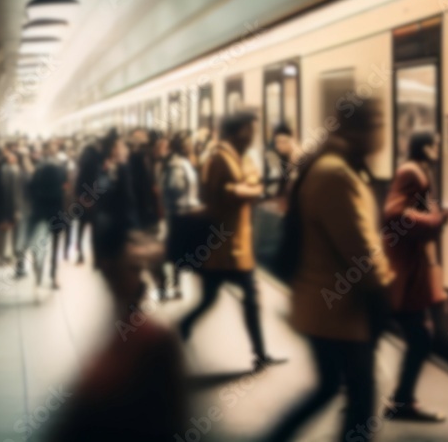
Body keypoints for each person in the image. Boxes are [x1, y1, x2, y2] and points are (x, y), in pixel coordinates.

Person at [264, 98, 394, 442]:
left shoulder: (330, 164)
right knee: (359, 397)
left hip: (323, 305)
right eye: (377, 124)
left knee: (329, 389)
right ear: (357, 129)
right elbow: (360, 250)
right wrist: (384, 287)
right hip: (336, 309)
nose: (381, 133)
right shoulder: (336, 173)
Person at [46, 220, 188, 441]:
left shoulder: (148, 340)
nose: (142, 281)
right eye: (134, 269)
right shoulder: (147, 339)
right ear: (108, 269)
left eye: (141, 269)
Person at [178, 112, 285, 372]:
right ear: (238, 131)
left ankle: (185, 327)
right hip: (222, 247)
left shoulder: (239, 156)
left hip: (235, 245)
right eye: (250, 130)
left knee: (215, 297)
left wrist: (245, 187)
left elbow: (253, 181)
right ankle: (259, 354)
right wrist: (244, 189)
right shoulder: (219, 157)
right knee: (247, 297)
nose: (254, 135)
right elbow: (219, 193)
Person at [381, 131, 448, 422]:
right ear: (426, 147)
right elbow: (394, 215)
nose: (439, 149)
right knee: (420, 335)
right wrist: (442, 216)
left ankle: (399, 400)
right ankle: (400, 402)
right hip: (406, 266)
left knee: (416, 333)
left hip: (408, 264)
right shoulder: (411, 172)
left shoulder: (415, 170)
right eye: (436, 144)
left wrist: (439, 213)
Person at [160, 131, 201, 300]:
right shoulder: (177, 164)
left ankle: (174, 286)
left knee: (176, 253)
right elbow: (175, 188)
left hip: (183, 213)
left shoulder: (183, 162)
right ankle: (166, 286)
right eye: (188, 143)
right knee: (172, 252)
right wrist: (191, 204)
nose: (191, 145)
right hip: (179, 214)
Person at [25, 141, 68, 288]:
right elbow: (65, 188)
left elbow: (30, 188)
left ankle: (39, 268)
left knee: (38, 241)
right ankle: (53, 275)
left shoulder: (38, 169)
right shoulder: (61, 168)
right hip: (55, 209)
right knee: (55, 244)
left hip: (40, 209)